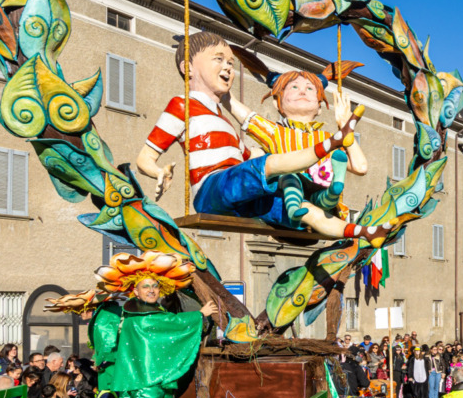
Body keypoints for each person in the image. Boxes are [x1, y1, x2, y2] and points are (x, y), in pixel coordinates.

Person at [134, 31, 391, 243]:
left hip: (243, 196)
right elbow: (145, 157)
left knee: (305, 210)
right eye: (219, 59)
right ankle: (328, 147)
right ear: (187, 67)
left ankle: (364, 233)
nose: (227, 67)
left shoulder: (226, 125)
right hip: (211, 189)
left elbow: (248, 157)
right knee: (269, 164)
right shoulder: (182, 105)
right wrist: (157, 171)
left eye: (231, 63)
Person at [88, 252, 214, 398]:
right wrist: (199, 315)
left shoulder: (156, 312)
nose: (151, 290)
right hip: (144, 382)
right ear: (135, 291)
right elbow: (167, 326)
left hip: (161, 380)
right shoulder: (138, 315)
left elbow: (166, 327)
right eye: (146, 287)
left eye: (155, 287)